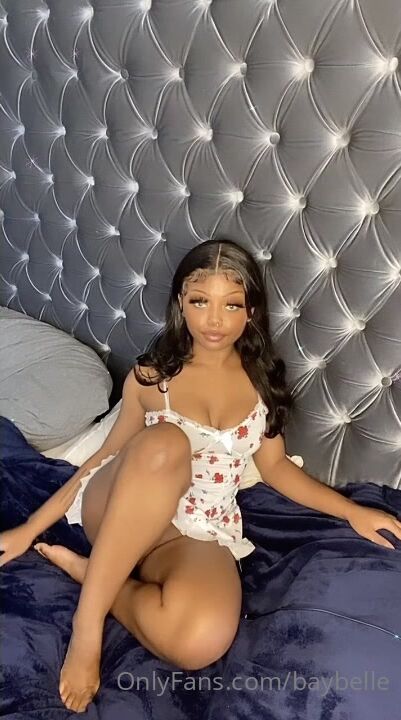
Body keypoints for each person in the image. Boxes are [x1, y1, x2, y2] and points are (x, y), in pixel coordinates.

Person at [1, 238, 401, 714]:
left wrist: (353, 511)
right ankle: (88, 623)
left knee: (199, 643)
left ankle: (97, 576)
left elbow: (275, 469)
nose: (214, 320)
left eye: (231, 304)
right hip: (119, 507)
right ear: (180, 303)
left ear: (251, 311)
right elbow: (104, 456)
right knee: (167, 442)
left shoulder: (262, 383)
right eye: (199, 301)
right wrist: (29, 528)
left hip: (196, 527)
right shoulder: (152, 378)